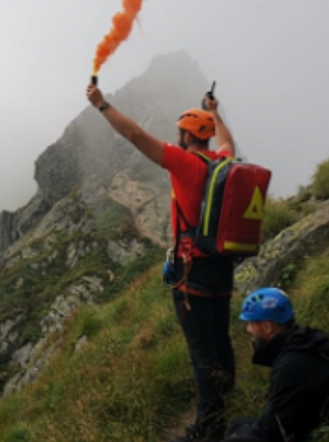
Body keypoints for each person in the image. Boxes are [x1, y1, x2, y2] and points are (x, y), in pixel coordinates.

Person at [86, 82, 238, 442]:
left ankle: (207, 428)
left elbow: (135, 135)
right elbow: (228, 141)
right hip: (222, 266)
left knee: (201, 350)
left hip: (193, 270)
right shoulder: (223, 162)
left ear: (186, 135)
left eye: (180, 132)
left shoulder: (185, 163)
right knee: (220, 339)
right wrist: (215, 113)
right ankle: (226, 403)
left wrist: (102, 105)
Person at [223, 288, 329, 442]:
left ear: (267, 326)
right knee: (237, 424)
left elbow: (272, 428)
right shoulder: (305, 341)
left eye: (250, 323)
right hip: (314, 420)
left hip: (310, 431)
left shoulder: (290, 365)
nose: (248, 330)